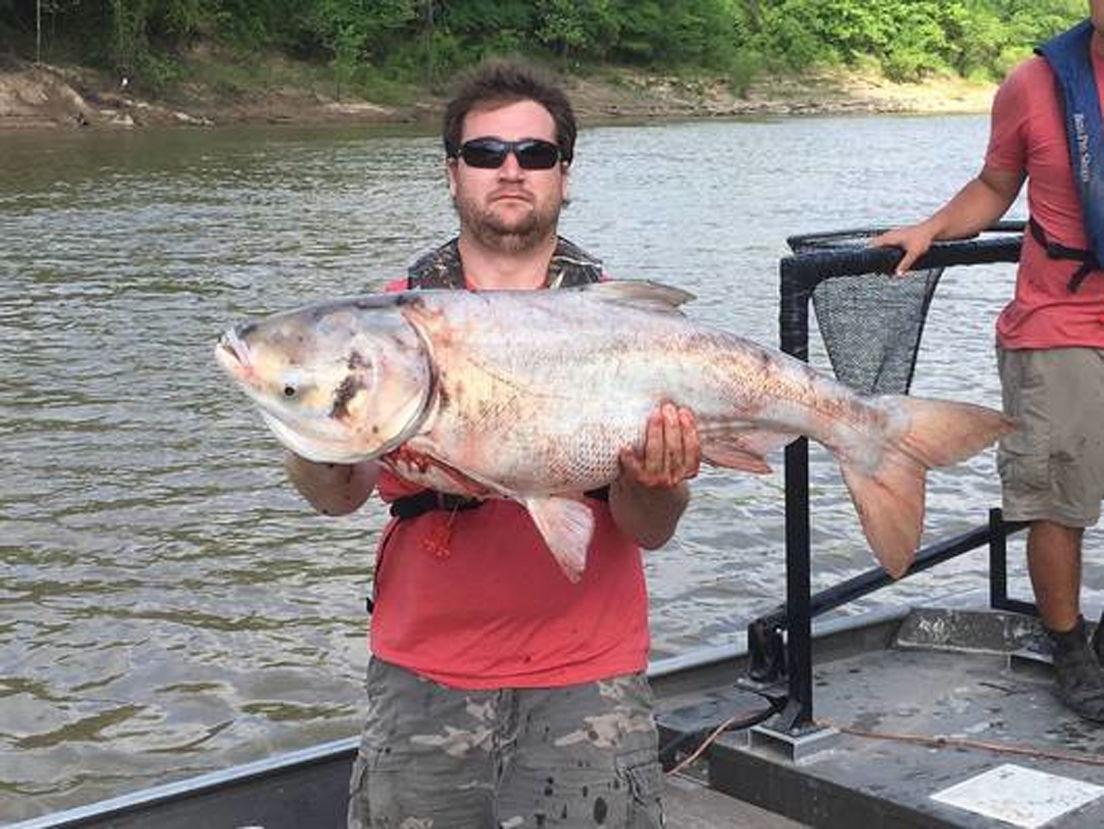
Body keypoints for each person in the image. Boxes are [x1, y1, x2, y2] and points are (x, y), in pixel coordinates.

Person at [285, 60, 701, 827]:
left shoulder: (629, 323)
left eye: (534, 153)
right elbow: (336, 496)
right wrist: (307, 415)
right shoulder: (381, 324)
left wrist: (659, 477)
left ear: (564, 174)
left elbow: (650, 528)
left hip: (590, 676)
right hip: (423, 677)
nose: (510, 169)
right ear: (453, 173)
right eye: (485, 152)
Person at [871, 2, 1104, 721]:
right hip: (1060, 319)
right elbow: (996, 185)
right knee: (1056, 493)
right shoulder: (1034, 83)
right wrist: (931, 227)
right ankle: (1069, 647)